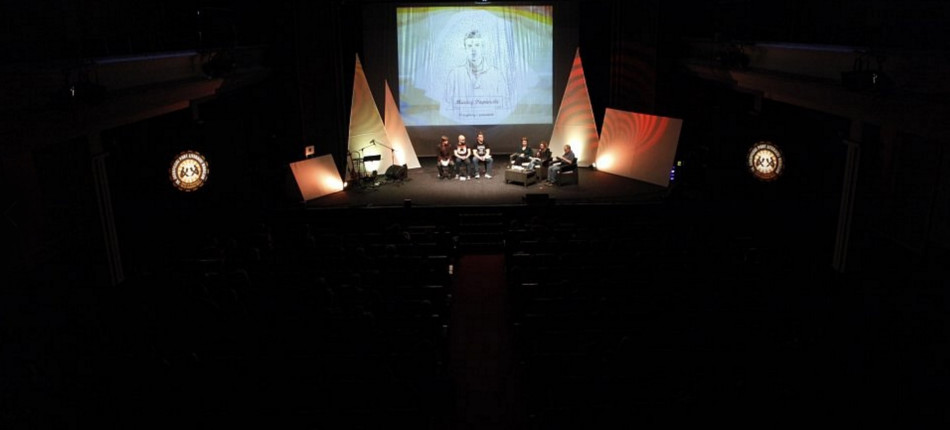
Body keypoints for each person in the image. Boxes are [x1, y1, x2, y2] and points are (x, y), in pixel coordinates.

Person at [442, 30, 510, 122]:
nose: (473, 49)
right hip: (461, 127)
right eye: (470, 46)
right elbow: (447, 106)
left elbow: (505, 107)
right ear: (465, 48)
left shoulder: (497, 75)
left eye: (477, 45)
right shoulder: (454, 75)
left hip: (491, 125)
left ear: (483, 48)